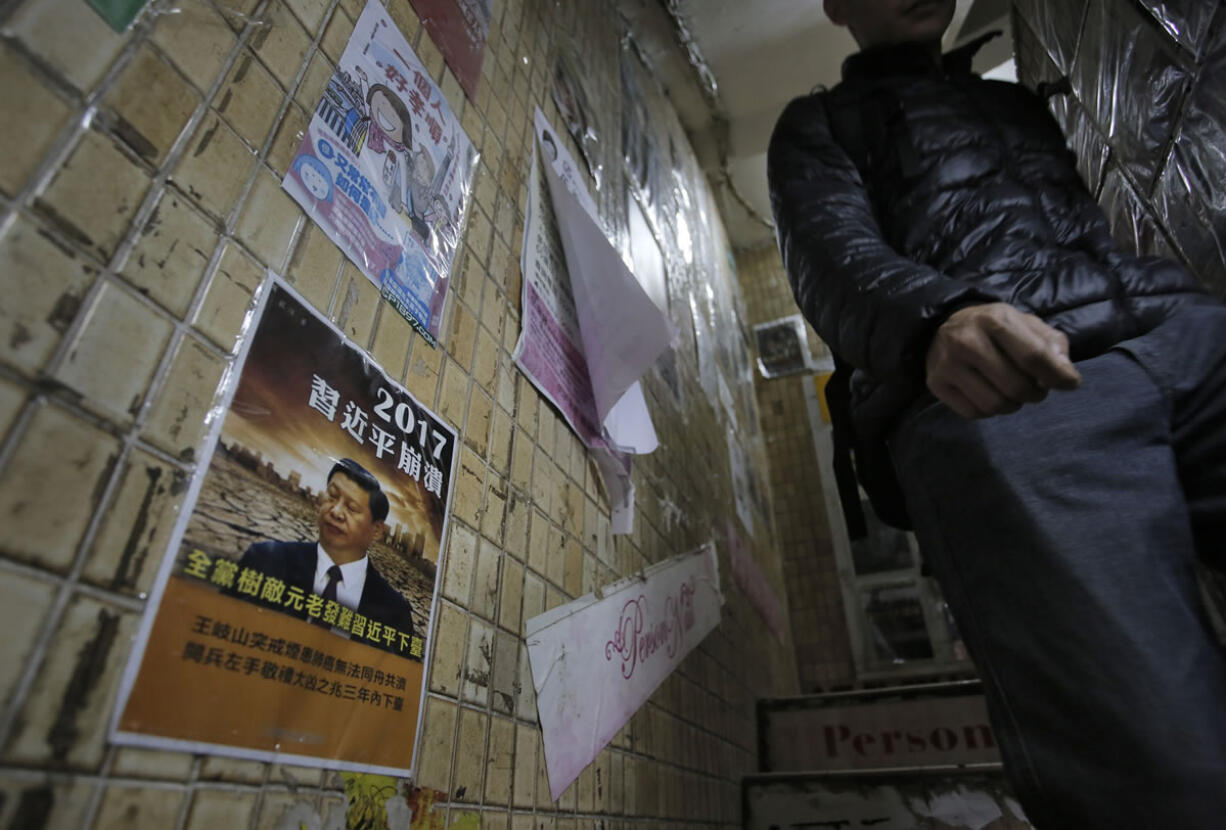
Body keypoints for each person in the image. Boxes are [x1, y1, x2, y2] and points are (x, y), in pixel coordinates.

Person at [767, 1, 1226, 826]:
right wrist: (937, 318)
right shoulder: (821, 123)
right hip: (1004, 384)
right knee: (1168, 771)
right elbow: (830, 254)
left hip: (1175, 335)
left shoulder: (1017, 103)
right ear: (835, 6)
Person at [233, 459, 416, 650]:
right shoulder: (266, 560)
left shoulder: (394, 611)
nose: (336, 512)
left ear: (376, 530)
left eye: (351, 508)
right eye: (332, 497)